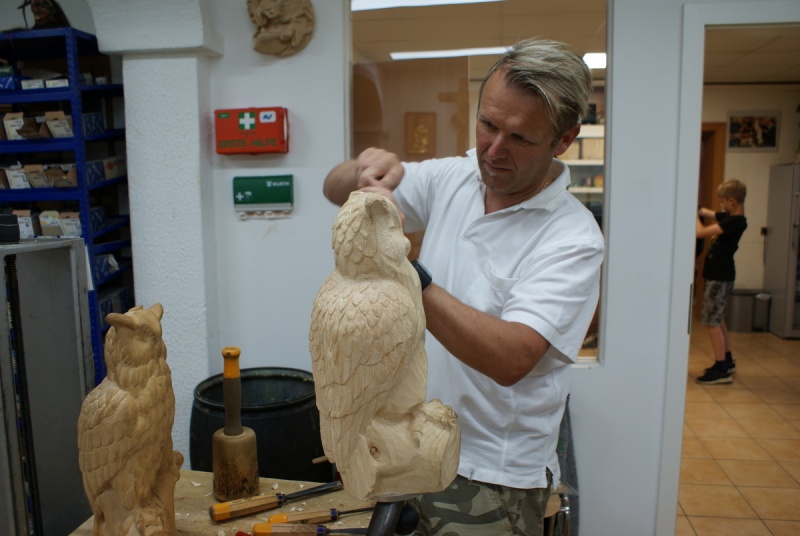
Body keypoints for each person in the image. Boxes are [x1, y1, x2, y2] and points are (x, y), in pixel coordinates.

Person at [323, 38, 604, 536]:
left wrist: (406, 269)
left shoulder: (572, 238)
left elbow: (511, 358)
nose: (493, 151)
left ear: (563, 140)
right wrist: (364, 169)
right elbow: (333, 188)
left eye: (519, 138)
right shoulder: (454, 177)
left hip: (489, 474)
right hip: (410, 444)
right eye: (488, 124)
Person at [695, 179, 748, 385]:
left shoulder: (735, 222)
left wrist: (691, 215)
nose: (720, 205)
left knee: (711, 322)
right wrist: (696, 208)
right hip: (719, 276)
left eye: (723, 201)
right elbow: (708, 213)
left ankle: (721, 369)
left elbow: (700, 232)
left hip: (719, 277)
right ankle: (726, 359)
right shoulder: (730, 218)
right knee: (718, 319)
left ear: (732, 202)